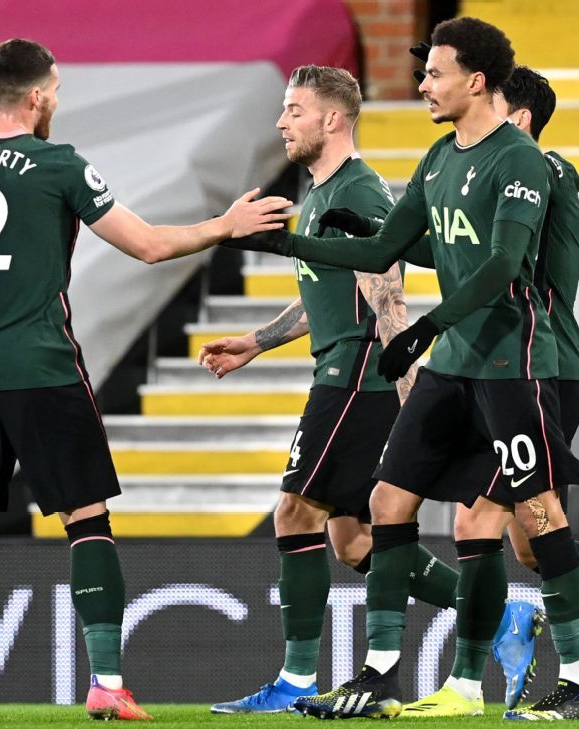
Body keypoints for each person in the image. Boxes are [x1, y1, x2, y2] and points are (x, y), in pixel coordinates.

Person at [0, 38, 291, 723]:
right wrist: (226, 224)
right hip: (42, 368)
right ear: (38, 95)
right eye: (57, 92)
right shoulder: (59, 164)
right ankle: (106, 682)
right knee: (87, 521)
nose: (57, 103)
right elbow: (148, 245)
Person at [227, 17, 579, 720]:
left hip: (510, 362)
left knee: (538, 514)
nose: (421, 84)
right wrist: (286, 245)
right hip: (452, 367)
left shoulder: (521, 160)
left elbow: (502, 264)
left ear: (475, 82)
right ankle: (380, 675)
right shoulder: (438, 157)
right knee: (388, 503)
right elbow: (387, 249)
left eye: (434, 73)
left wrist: (425, 326)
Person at [198, 65, 466, 715]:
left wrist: (410, 396)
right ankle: (497, 611)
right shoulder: (321, 193)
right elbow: (325, 291)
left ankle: (294, 680)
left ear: (333, 119)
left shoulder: (361, 192)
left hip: (358, 376)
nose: (281, 122)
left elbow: (388, 297)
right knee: (352, 542)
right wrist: (258, 340)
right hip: (345, 370)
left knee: (294, 513)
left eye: (294, 110)